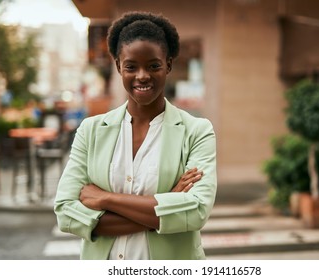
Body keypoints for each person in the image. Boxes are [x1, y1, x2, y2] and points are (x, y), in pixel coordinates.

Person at [54, 11, 217, 260]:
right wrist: (169, 204)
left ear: (169, 65)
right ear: (119, 66)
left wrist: (105, 199)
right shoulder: (91, 131)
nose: (142, 75)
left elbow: (195, 212)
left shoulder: (197, 131)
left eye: (153, 65)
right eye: (131, 66)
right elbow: (66, 213)